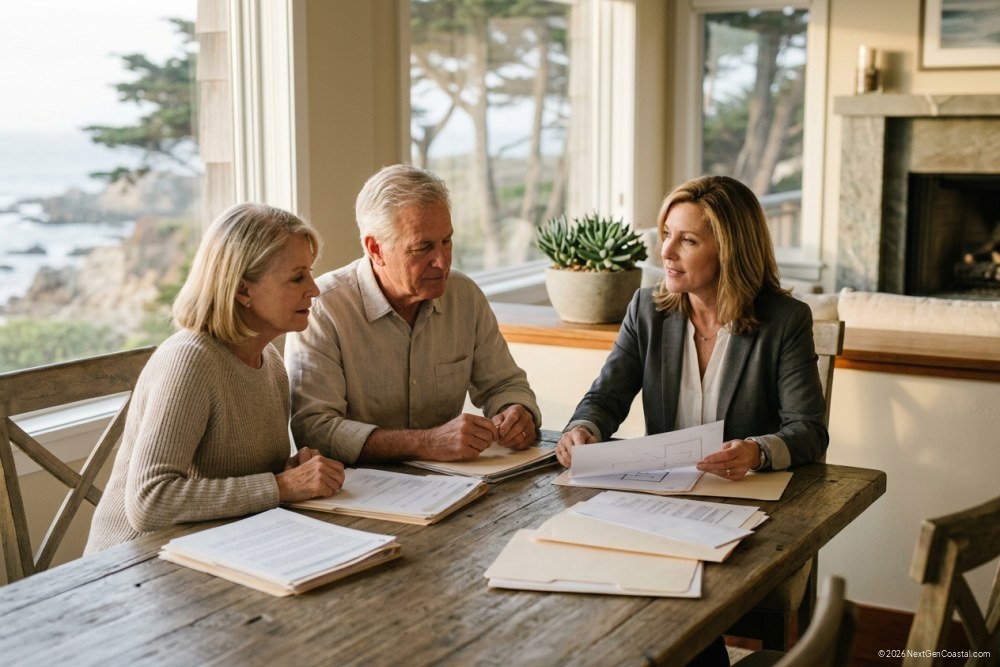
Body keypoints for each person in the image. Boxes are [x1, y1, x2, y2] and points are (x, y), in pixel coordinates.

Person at [86, 203, 345, 554]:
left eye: (310, 274)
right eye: (298, 277)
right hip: (132, 568)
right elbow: (149, 502)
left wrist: (291, 472)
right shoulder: (189, 361)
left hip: (219, 551)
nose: (314, 289)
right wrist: (282, 486)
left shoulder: (269, 360)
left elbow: (237, 475)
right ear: (242, 290)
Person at [555, 175, 828, 480]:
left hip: (744, 495)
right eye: (667, 233)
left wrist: (756, 451)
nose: (666, 251)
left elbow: (809, 432)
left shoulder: (785, 320)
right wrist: (582, 428)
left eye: (687, 240)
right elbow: (605, 399)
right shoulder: (646, 310)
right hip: (660, 491)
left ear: (729, 250)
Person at [285, 164, 541, 464]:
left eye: (447, 240)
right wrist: (426, 443)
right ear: (375, 248)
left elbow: (505, 385)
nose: (442, 261)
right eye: (423, 247)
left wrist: (516, 411)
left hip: (453, 486)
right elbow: (314, 430)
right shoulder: (323, 308)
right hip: (355, 491)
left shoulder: (465, 296)